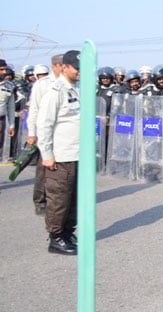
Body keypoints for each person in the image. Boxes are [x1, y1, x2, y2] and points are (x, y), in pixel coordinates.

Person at [36, 50, 81, 255]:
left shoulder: (76, 89)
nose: (80, 72)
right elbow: (44, 124)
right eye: (76, 68)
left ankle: (67, 233)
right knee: (59, 199)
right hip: (60, 156)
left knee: (73, 199)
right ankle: (55, 237)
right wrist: (47, 155)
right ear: (64, 67)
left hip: (76, 154)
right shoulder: (55, 92)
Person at [26, 55, 64, 216]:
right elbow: (34, 110)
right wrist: (32, 133)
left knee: (63, 167)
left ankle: (60, 199)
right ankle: (40, 201)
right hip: (45, 130)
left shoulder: (70, 83)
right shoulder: (42, 84)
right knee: (43, 167)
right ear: (54, 66)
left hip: (63, 132)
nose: (64, 68)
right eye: (62, 65)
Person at [0, 59, 17, 160]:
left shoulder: (9, 86)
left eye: (5, 69)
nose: (4, 72)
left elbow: (11, 107)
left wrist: (11, 125)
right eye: (1, 69)